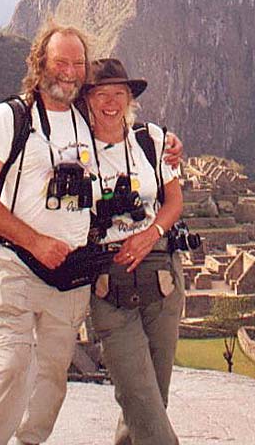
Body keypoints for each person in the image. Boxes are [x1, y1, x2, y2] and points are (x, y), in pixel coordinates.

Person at [0, 26, 183, 445]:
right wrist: (35, 242)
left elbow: (132, 141)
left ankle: (29, 441)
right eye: (60, 62)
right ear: (39, 63)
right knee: (11, 364)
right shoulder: (13, 117)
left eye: (77, 64)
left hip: (72, 274)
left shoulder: (89, 122)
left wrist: (170, 144)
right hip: (21, 264)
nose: (68, 71)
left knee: (53, 375)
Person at [85, 58, 184, 445]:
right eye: (101, 94)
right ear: (87, 99)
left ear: (130, 98)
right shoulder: (73, 147)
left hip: (160, 274)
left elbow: (174, 202)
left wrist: (151, 232)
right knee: (137, 392)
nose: (111, 102)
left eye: (118, 94)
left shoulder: (151, 139)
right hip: (109, 283)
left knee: (154, 394)